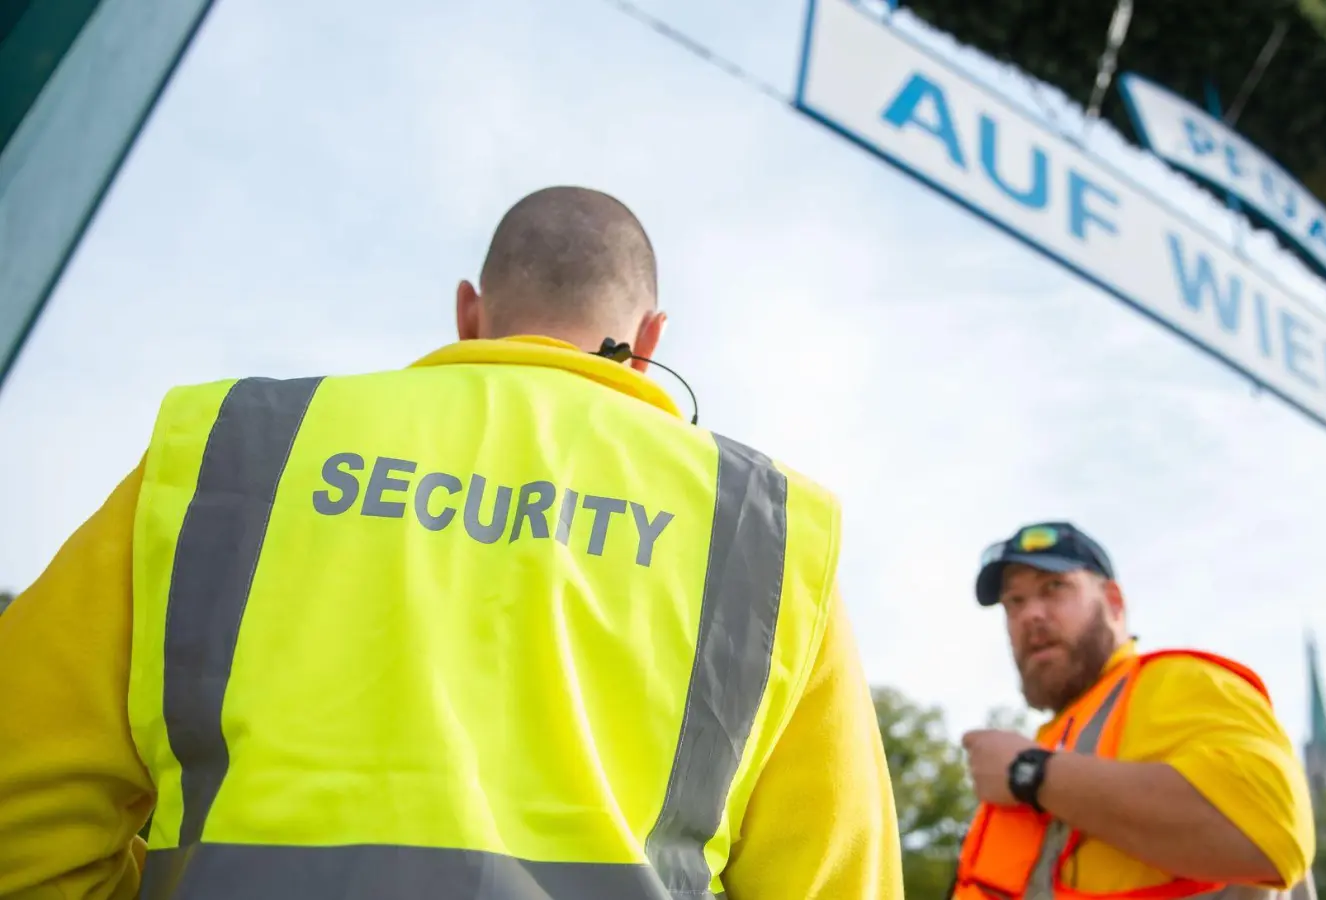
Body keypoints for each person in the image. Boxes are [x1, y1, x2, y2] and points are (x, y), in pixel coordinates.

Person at [0, 187, 903, 900]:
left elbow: (21, 816)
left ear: (469, 312)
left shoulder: (234, 446)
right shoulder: (768, 534)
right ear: (652, 338)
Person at [953, 522, 1316, 900]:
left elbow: (1273, 837)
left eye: (1053, 588)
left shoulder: (1179, 682)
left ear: (1113, 602)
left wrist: (1027, 771)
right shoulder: (1057, 736)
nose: (1031, 615)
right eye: (1015, 602)